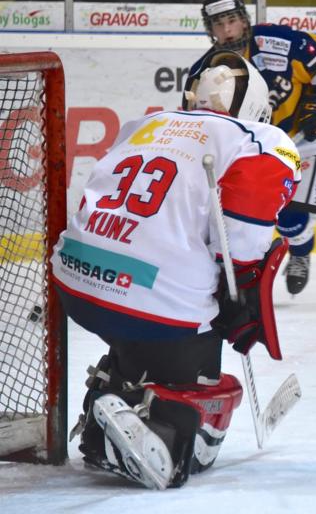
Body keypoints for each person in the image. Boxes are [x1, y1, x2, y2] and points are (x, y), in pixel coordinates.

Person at [50, 51, 301, 489]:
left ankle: (112, 392)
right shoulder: (259, 139)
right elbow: (242, 247)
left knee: (153, 323)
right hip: (155, 303)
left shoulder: (143, 124)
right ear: (257, 108)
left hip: (76, 283)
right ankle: (165, 433)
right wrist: (242, 304)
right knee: (203, 354)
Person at [189, 0, 316, 295]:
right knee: (257, 213)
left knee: (292, 216)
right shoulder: (204, 72)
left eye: (231, 20)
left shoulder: (281, 43)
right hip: (255, 151)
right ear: (210, 31)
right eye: (218, 24)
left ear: (244, 21)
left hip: (304, 139)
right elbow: (197, 120)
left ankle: (300, 252)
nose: (227, 30)